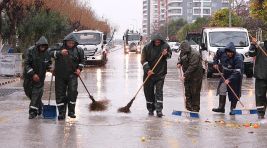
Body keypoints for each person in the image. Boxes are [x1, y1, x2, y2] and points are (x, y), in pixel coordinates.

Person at [50, 33, 85, 120]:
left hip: (72, 75)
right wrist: (59, 53)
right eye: (69, 43)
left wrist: (79, 69)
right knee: (60, 93)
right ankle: (61, 113)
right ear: (66, 42)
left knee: (72, 92)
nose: (71, 44)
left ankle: (71, 112)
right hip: (60, 75)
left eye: (73, 43)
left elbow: (83, 61)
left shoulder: (79, 50)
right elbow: (49, 53)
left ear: (75, 43)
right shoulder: (59, 47)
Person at [141, 33, 172, 117]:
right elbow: (143, 60)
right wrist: (148, 70)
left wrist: (166, 54)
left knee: (159, 92)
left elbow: (169, 56)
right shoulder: (147, 47)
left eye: (159, 41)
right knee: (148, 92)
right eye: (156, 41)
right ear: (153, 41)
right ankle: (150, 109)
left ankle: (159, 110)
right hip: (149, 73)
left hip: (160, 73)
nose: (157, 43)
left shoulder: (165, 46)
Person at [23, 36, 52, 119]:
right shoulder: (31, 51)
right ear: (38, 45)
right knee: (29, 93)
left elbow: (48, 63)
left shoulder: (47, 52)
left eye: (45, 46)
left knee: (36, 94)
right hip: (29, 77)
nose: (43, 48)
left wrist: (51, 68)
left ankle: (32, 112)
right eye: (41, 46)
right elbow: (27, 64)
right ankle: (40, 106)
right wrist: (33, 74)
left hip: (40, 78)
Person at [212, 42, 244, 115]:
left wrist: (229, 79)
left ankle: (233, 109)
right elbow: (216, 56)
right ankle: (221, 107)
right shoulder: (221, 51)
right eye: (228, 53)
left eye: (231, 53)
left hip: (236, 76)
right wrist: (215, 63)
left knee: (234, 92)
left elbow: (238, 72)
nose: (229, 54)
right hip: (225, 74)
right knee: (222, 88)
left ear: (234, 52)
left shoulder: (238, 58)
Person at [177, 41, 203, 112]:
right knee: (187, 90)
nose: (182, 51)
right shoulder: (183, 52)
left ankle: (195, 108)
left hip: (196, 75)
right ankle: (188, 107)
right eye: (182, 50)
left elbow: (193, 66)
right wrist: (179, 63)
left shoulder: (195, 54)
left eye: (183, 50)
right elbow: (181, 59)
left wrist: (185, 75)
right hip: (187, 74)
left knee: (195, 92)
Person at [249, 38, 267, 119]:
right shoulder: (260, 46)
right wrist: (253, 45)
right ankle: (260, 113)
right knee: (260, 96)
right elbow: (251, 54)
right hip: (261, 75)